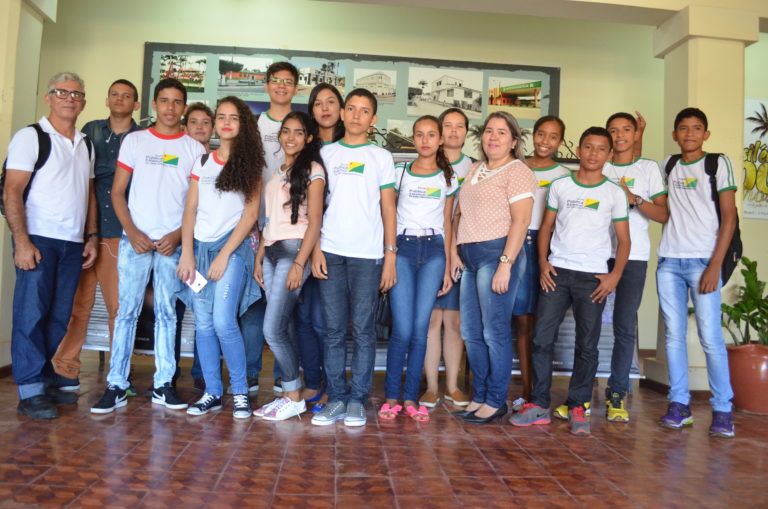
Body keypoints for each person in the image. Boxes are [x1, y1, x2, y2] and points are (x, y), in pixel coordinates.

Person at [91, 78, 205, 414]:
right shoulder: (135, 141)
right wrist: (132, 231)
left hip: (172, 244)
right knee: (125, 312)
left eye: (177, 102)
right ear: (154, 104)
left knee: (167, 314)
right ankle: (117, 384)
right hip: (135, 242)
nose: (170, 108)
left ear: (184, 107)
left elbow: (197, 205)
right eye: (164, 100)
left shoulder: (194, 150)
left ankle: (163, 385)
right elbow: (116, 192)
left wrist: (178, 236)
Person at [510, 126, 630, 436]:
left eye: (600, 149)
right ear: (578, 150)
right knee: (541, 339)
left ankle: (578, 406)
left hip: (593, 278)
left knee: (587, 345)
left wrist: (614, 275)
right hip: (557, 273)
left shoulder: (614, 193)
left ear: (609, 154)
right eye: (588, 147)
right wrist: (543, 262)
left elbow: (624, 240)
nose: (593, 153)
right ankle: (539, 404)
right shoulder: (561, 185)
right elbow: (545, 228)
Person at [552, 112, 667, 423]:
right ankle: (581, 395)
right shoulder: (600, 163)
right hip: (596, 258)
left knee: (624, 326)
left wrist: (635, 199)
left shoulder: (648, 168)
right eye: (613, 131)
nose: (619, 136)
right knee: (587, 329)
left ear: (635, 134)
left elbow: (663, 214)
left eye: (626, 130)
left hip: (633, 257)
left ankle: (617, 391)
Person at [4, 72, 97, 419]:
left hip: (72, 243)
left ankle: (44, 379)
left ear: (83, 102)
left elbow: (88, 193)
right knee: (31, 314)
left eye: (76, 94)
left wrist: (91, 236)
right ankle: (30, 390)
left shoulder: (85, 143)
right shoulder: (31, 137)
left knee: (58, 316)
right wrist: (22, 241)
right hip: (38, 239)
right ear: (48, 98)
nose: (69, 98)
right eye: (62, 92)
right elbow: (11, 190)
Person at [310, 88, 397, 427]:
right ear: (343, 113)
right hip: (331, 251)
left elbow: (388, 208)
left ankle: (358, 400)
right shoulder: (325, 153)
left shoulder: (381, 157)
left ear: (373, 119)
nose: (357, 115)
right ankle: (336, 398)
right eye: (352, 108)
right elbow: (316, 207)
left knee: (363, 331)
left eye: (364, 110)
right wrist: (315, 248)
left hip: (368, 255)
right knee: (333, 331)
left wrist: (390, 256)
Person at [51, 79, 141, 392]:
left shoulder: (141, 137)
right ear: (106, 100)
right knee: (77, 306)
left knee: (120, 309)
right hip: (83, 232)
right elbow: (79, 172)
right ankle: (65, 370)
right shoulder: (91, 130)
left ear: (136, 104)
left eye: (126, 96)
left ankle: (120, 375)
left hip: (120, 232)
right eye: (114, 94)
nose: (119, 99)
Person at [177, 96, 263, 419]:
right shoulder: (202, 162)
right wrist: (187, 253)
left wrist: (224, 255)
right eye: (222, 117)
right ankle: (212, 392)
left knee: (224, 321)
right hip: (199, 250)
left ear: (243, 124)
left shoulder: (250, 164)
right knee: (203, 323)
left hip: (233, 249)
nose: (226, 122)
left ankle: (239, 392)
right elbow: (190, 210)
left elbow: (250, 215)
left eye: (233, 117)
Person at [656, 107, 737, 438]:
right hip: (669, 263)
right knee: (673, 336)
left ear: (706, 134)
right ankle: (679, 404)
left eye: (696, 128)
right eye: (683, 128)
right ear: (674, 134)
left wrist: (715, 265)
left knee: (710, 337)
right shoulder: (668, 165)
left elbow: (729, 216)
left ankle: (723, 409)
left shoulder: (717, 164)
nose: (689, 133)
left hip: (705, 261)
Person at [450, 112, 536, 424]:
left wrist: (505, 264)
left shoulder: (518, 171)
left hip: (497, 254)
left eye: (501, 132)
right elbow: (460, 214)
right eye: (489, 131)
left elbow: (522, 221)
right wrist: (455, 251)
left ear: (514, 141)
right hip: (470, 258)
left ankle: (496, 400)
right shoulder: (475, 168)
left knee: (493, 330)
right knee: (471, 331)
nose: (493, 137)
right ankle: (481, 395)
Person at [380, 115, 457, 423]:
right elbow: (388, 214)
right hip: (403, 249)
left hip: (434, 252)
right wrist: (389, 254)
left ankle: (411, 398)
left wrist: (448, 266)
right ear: (413, 139)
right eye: (420, 135)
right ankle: (391, 397)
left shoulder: (448, 178)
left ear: (440, 139)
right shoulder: (400, 173)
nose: (425, 140)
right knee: (402, 329)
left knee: (420, 328)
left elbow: (448, 224)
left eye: (431, 135)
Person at [252, 111, 326, 421]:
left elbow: (315, 222)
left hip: (293, 251)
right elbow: (270, 220)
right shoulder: (277, 171)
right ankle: (288, 394)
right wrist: (259, 256)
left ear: (308, 137)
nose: (290, 137)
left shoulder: (313, 170)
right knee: (282, 326)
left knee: (272, 329)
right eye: (286, 131)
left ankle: (293, 395)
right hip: (271, 251)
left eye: (298, 132)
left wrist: (299, 263)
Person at [239, 61, 299, 394]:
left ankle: (281, 375)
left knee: (283, 309)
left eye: (288, 81)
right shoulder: (253, 125)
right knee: (253, 305)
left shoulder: (299, 126)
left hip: (289, 232)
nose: (281, 86)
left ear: (296, 88)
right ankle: (250, 372)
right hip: (255, 227)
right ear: (266, 86)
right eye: (275, 80)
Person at [510, 115, 570, 411]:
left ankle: (540, 391)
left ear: (560, 142)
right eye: (541, 134)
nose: (545, 141)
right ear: (532, 136)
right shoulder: (516, 167)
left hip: (549, 250)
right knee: (522, 322)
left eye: (553, 136)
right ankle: (527, 389)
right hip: (518, 243)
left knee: (542, 324)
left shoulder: (564, 175)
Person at [293, 83, 345, 412]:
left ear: (342, 108)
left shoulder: (351, 146)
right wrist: (311, 248)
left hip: (337, 245)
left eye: (331, 102)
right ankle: (312, 381)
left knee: (326, 321)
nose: (325, 108)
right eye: (318, 103)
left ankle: (331, 385)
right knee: (303, 318)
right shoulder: (306, 147)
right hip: (305, 241)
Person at [419, 108, 473, 409]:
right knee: (430, 320)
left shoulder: (475, 167)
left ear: (467, 132)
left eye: (459, 126)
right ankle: (430, 387)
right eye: (447, 126)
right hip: (429, 248)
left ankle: (452, 385)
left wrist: (454, 253)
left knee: (454, 321)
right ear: (439, 134)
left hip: (462, 250)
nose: (453, 131)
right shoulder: (428, 164)